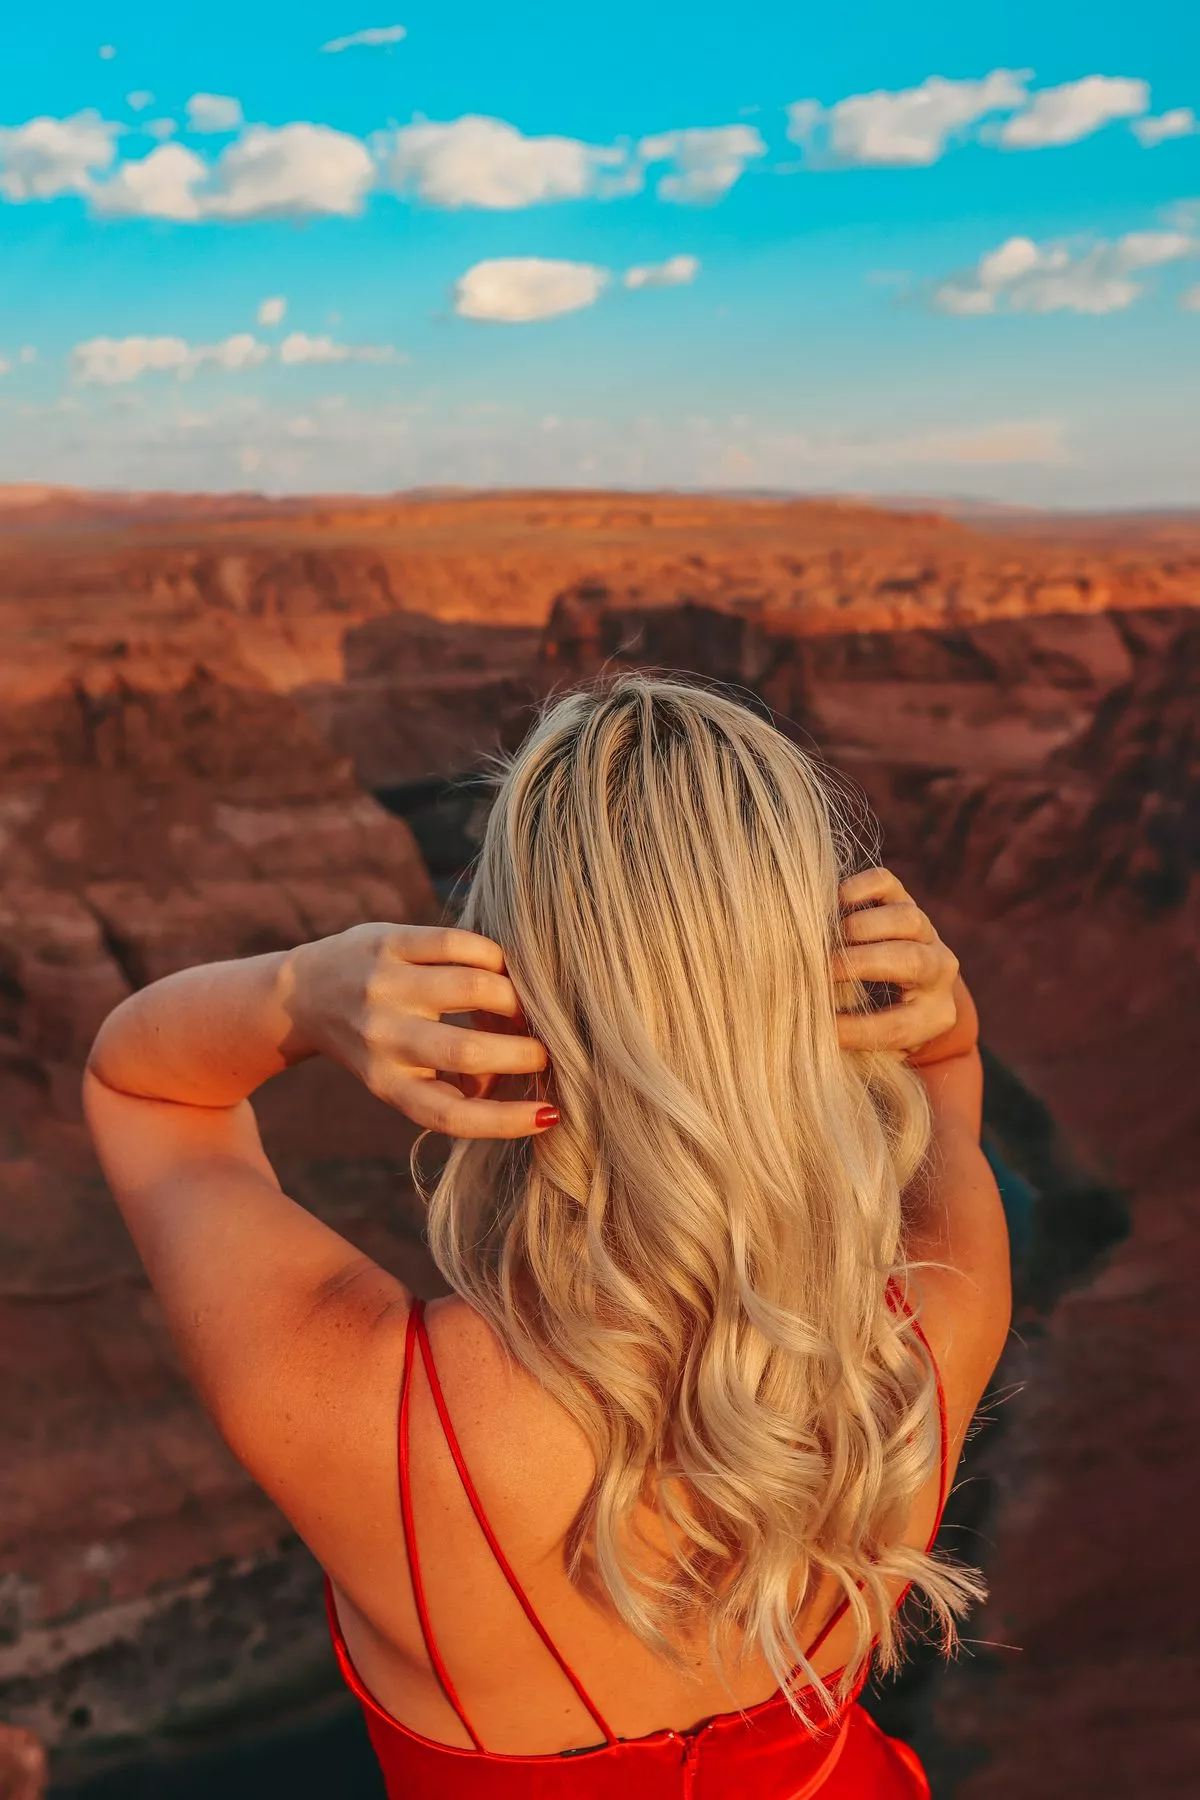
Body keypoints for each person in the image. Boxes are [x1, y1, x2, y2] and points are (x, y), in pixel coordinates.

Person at [84, 676, 1010, 1798]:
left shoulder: (372, 1410)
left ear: (515, 981)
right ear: (807, 986)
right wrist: (944, 1018)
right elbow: (946, 1088)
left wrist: (301, 990)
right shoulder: (933, 1321)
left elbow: (146, 1095)